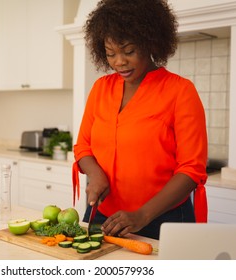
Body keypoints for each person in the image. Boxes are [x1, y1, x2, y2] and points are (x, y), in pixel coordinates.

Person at [72, 0, 208, 240]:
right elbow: (83, 147)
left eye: (129, 51)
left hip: (163, 220)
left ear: (150, 42)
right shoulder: (101, 89)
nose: (119, 62)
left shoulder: (180, 91)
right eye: (110, 54)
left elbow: (191, 169)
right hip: (103, 216)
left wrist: (142, 215)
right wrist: (95, 174)